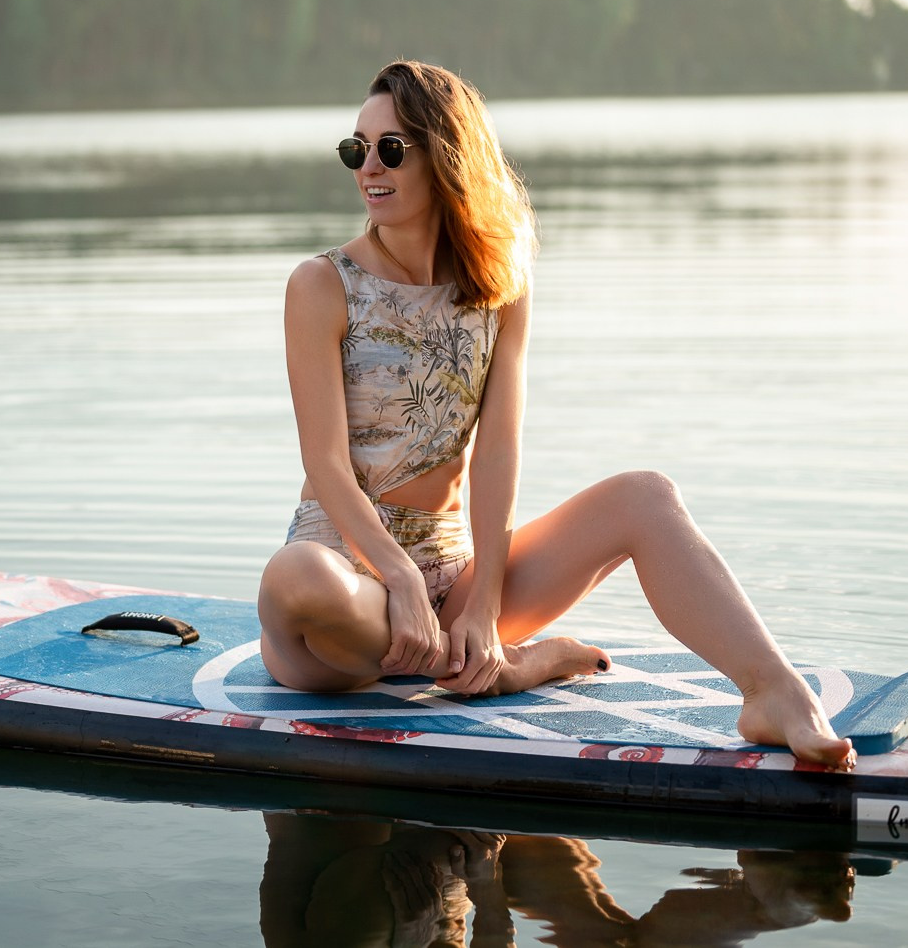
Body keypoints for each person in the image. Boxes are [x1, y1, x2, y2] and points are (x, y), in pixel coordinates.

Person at [255, 59, 853, 768]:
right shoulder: (322, 284)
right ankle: (508, 669)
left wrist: (480, 605)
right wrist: (401, 579)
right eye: (357, 149)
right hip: (345, 592)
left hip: (457, 581)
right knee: (294, 577)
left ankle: (774, 692)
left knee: (647, 496)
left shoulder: (499, 286)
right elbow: (323, 463)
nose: (368, 168)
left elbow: (499, 450)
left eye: (390, 148)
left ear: (446, 155)